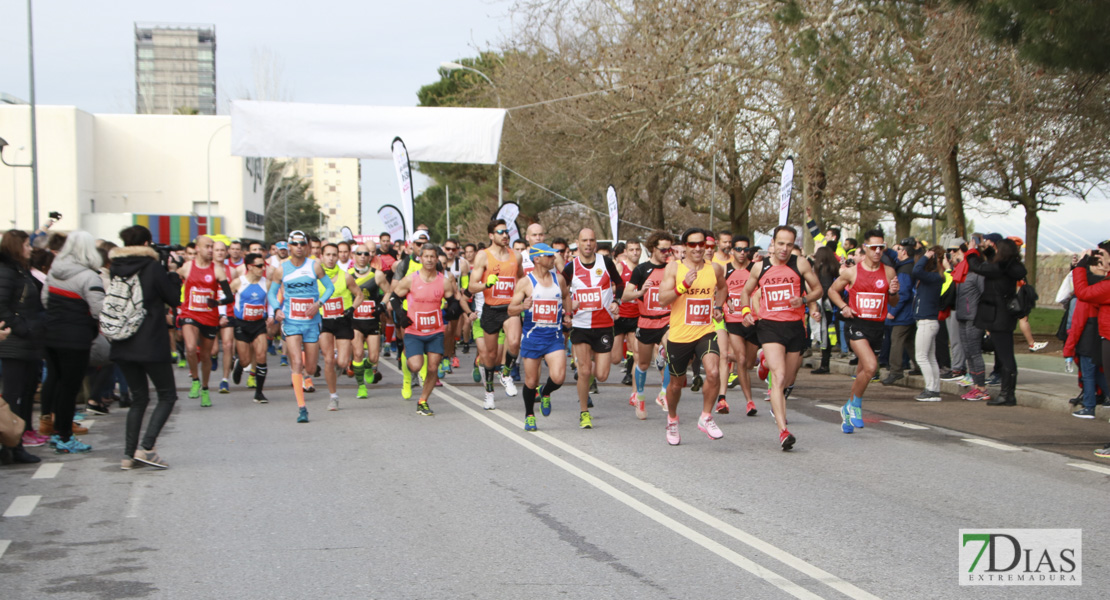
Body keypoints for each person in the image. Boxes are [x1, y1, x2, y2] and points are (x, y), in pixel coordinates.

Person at [740, 226, 823, 450]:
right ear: (773, 244)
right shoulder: (760, 267)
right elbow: (745, 292)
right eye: (781, 244)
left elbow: (818, 290)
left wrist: (804, 301)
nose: (784, 249)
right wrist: (747, 312)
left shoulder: (800, 264)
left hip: (795, 327)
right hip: (770, 327)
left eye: (789, 244)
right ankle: (782, 431)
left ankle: (765, 365)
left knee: (788, 379)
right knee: (779, 376)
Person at [108, 226, 182, 469]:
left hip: (122, 341)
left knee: (139, 398)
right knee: (167, 395)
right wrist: (172, 273)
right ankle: (147, 448)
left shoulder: (115, 268)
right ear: (148, 242)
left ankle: (128, 456)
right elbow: (173, 298)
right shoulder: (151, 267)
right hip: (150, 341)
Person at [657, 228, 728, 445]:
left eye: (701, 244)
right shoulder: (674, 268)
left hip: (705, 331)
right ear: (685, 247)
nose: (697, 249)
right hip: (679, 336)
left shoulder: (714, 268)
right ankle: (672, 419)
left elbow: (723, 288)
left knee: (714, 371)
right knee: (677, 385)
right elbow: (662, 299)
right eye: (692, 244)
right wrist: (682, 287)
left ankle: (706, 416)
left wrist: (718, 305)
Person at [828, 230, 900, 433]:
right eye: (873, 248)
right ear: (865, 249)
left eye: (881, 247)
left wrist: (893, 292)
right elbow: (832, 290)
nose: (878, 251)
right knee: (871, 366)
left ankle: (847, 410)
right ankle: (856, 406)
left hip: (877, 326)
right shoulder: (853, 272)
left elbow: (893, 301)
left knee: (863, 372)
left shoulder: (889, 272)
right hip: (856, 324)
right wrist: (843, 307)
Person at [41, 231, 105, 454]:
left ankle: (57, 431)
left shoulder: (54, 272)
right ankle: (64, 436)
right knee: (70, 388)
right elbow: (99, 310)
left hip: (51, 334)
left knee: (58, 383)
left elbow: (45, 300)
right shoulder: (89, 277)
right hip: (76, 338)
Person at [268, 230, 335, 423]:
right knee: (297, 364)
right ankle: (302, 408)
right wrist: (276, 310)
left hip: (312, 323)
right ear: (289, 247)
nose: (298, 247)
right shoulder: (281, 269)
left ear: (306, 246)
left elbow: (329, 288)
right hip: (291, 322)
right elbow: (272, 294)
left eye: (301, 244)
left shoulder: (315, 266)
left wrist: (319, 303)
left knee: (311, 368)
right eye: (295, 244)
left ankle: (307, 374)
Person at [563, 228, 626, 429]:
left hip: (604, 325)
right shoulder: (570, 267)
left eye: (591, 240)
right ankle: (584, 412)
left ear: (595, 243)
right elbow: (560, 291)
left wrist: (617, 301)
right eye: (584, 240)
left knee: (602, 374)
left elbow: (620, 283)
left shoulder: (605, 263)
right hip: (581, 325)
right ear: (578, 243)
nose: (588, 244)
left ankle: (588, 376)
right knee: (584, 369)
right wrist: (568, 305)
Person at [389, 244, 460, 416]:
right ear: (420, 258)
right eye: (426, 256)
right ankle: (407, 376)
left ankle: (423, 401)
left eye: (432, 257)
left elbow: (453, 300)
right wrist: (401, 314)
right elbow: (394, 297)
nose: (429, 259)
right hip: (414, 330)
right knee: (415, 365)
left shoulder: (443, 281)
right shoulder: (411, 279)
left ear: (437, 259)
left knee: (433, 367)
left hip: (435, 331)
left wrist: (452, 310)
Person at [509, 243, 571, 431]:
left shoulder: (558, 279)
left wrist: (567, 314)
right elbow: (510, 309)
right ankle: (529, 414)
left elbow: (567, 295)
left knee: (559, 377)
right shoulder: (525, 282)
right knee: (530, 381)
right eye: (550, 256)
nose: (554, 259)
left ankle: (545, 392)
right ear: (537, 259)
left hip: (554, 337)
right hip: (533, 338)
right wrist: (522, 307)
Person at [0, 229, 46, 463]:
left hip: (27, 342)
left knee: (25, 393)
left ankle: (17, 443)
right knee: (12, 396)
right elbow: (3, 308)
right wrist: (23, 328)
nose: (30, 249)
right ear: (15, 247)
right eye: (26, 245)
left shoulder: (19, 271)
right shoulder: (7, 272)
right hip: (13, 343)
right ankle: (11, 445)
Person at [965, 235, 1027, 406]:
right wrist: (989, 251)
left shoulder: (999, 268)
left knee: (1006, 355)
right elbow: (994, 263)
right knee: (1005, 353)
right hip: (1004, 316)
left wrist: (971, 251)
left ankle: (1007, 394)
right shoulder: (1010, 266)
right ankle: (1007, 393)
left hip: (998, 316)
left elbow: (978, 266)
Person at [469, 219, 525, 409]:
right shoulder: (483, 256)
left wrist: (524, 295)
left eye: (506, 232)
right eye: (500, 232)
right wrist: (486, 284)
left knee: (515, 342)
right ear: (491, 235)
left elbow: (522, 279)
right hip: (491, 309)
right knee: (490, 356)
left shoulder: (515, 257)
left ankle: (506, 373)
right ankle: (489, 392)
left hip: (509, 308)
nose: (505, 235)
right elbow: (471, 286)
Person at [177, 236, 234, 407]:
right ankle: (195, 379)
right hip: (190, 314)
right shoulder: (187, 267)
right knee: (191, 347)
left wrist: (218, 303)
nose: (210, 250)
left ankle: (205, 388)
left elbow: (229, 296)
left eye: (212, 247)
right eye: (207, 247)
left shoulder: (217, 270)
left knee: (206, 356)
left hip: (209, 316)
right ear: (197, 248)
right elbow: (172, 282)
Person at [623, 232, 673, 419]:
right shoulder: (642, 270)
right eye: (662, 249)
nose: (666, 253)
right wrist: (641, 291)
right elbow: (626, 296)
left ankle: (663, 394)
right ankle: (641, 397)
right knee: (643, 364)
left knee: (674, 356)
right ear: (653, 248)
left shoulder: (672, 268)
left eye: (669, 249)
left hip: (667, 320)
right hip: (646, 321)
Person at [317, 243, 363, 411]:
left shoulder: (346, 277)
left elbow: (360, 294)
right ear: (322, 257)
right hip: (324, 320)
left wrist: (351, 309)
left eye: (334, 255)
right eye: (327, 254)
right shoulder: (316, 278)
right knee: (328, 359)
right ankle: (333, 396)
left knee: (342, 362)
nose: (331, 258)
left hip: (342, 320)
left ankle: (333, 373)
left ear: (338, 257)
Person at [721, 235, 760, 418]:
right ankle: (749, 402)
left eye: (746, 250)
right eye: (738, 249)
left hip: (753, 321)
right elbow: (719, 291)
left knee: (750, 363)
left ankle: (720, 356)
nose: (742, 253)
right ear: (732, 251)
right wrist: (725, 302)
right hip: (733, 320)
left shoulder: (755, 269)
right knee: (742, 360)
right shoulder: (725, 269)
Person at [350, 243, 391, 398]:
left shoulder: (377, 274)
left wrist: (382, 304)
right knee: (358, 353)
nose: (362, 257)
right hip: (355, 321)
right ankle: (361, 386)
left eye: (365, 254)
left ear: (370, 257)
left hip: (372, 320)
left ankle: (367, 368)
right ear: (354, 256)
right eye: (359, 254)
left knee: (373, 358)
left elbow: (388, 291)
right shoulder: (348, 275)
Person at [230, 252, 272, 404]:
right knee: (245, 360)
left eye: (264, 265)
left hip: (259, 324)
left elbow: (272, 301)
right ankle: (239, 365)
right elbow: (226, 298)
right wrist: (224, 316)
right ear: (249, 267)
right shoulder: (238, 282)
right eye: (259, 266)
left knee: (261, 356)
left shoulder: (266, 283)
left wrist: (271, 316)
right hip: (242, 324)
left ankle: (259, 393)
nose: (262, 268)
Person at [955, 242, 991, 401]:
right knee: (968, 352)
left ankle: (981, 387)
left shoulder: (977, 275)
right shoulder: (962, 273)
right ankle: (975, 385)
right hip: (962, 316)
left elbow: (985, 295)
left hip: (973, 317)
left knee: (975, 352)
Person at [912, 246, 946, 401]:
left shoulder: (933, 278)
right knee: (930, 358)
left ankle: (930, 389)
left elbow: (916, 270)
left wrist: (926, 256)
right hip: (929, 321)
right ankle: (934, 389)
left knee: (921, 357)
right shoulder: (934, 278)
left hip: (926, 321)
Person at [881, 241, 917, 385]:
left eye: (900, 250)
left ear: (904, 253)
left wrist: (894, 311)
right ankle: (919, 366)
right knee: (909, 342)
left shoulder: (904, 270)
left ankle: (896, 371)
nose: (898, 252)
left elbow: (903, 294)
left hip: (902, 314)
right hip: (908, 313)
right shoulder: (907, 266)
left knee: (896, 341)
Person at [613, 238, 642, 386]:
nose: (635, 252)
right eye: (631, 250)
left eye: (637, 249)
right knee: (615, 358)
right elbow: (611, 287)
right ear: (626, 252)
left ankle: (636, 392)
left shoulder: (643, 269)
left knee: (637, 353)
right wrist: (615, 303)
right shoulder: (621, 267)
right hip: (620, 315)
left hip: (636, 316)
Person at [809, 246, 841, 375]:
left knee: (823, 333)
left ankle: (825, 364)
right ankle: (825, 362)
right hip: (831, 305)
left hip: (824, 304)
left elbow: (825, 287)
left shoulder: (824, 269)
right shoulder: (833, 268)